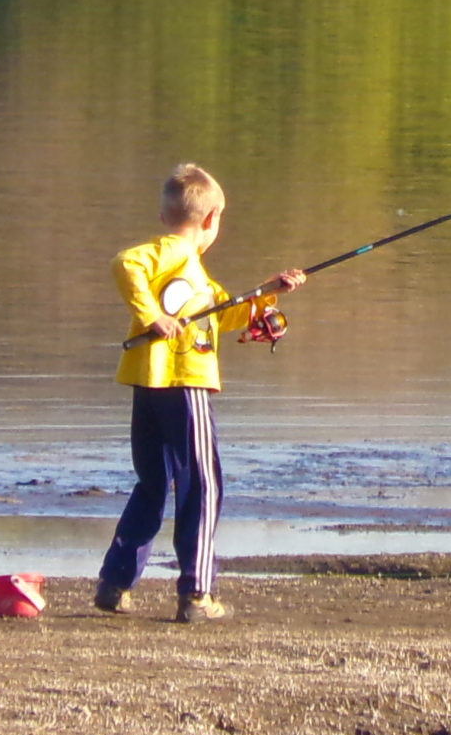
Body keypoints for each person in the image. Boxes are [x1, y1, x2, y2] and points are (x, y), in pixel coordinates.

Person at [95, 165, 304, 623]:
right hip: (183, 382)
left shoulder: (196, 274)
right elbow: (124, 263)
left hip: (149, 383)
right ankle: (197, 594)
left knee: (153, 483)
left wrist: (268, 295)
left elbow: (222, 316)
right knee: (204, 486)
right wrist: (152, 317)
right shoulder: (173, 251)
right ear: (211, 219)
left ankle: (115, 583)